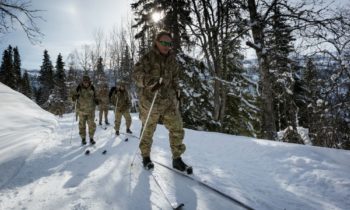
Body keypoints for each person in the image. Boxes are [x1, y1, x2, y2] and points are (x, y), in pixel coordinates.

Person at [132, 31, 192, 173]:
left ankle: (177, 159)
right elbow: (136, 74)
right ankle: (146, 156)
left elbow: (175, 78)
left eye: (169, 44)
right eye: (164, 43)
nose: (167, 46)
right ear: (157, 42)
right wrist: (149, 82)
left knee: (177, 127)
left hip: (168, 101)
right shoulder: (148, 58)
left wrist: (177, 93)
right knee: (148, 130)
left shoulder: (172, 60)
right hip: (150, 100)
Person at [72, 75, 98, 145]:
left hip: (91, 111)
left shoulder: (92, 88)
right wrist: (74, 97)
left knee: (91, 125)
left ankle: (91, 138)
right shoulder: (78, 88)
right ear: (82, 82)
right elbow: (72, 98)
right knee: (82, 126)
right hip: (81, 111)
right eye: (84, 82)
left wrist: (97, 101)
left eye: (87, 82)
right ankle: (83, 138)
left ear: (89, 82)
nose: (86, 83)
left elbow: (96, 97)